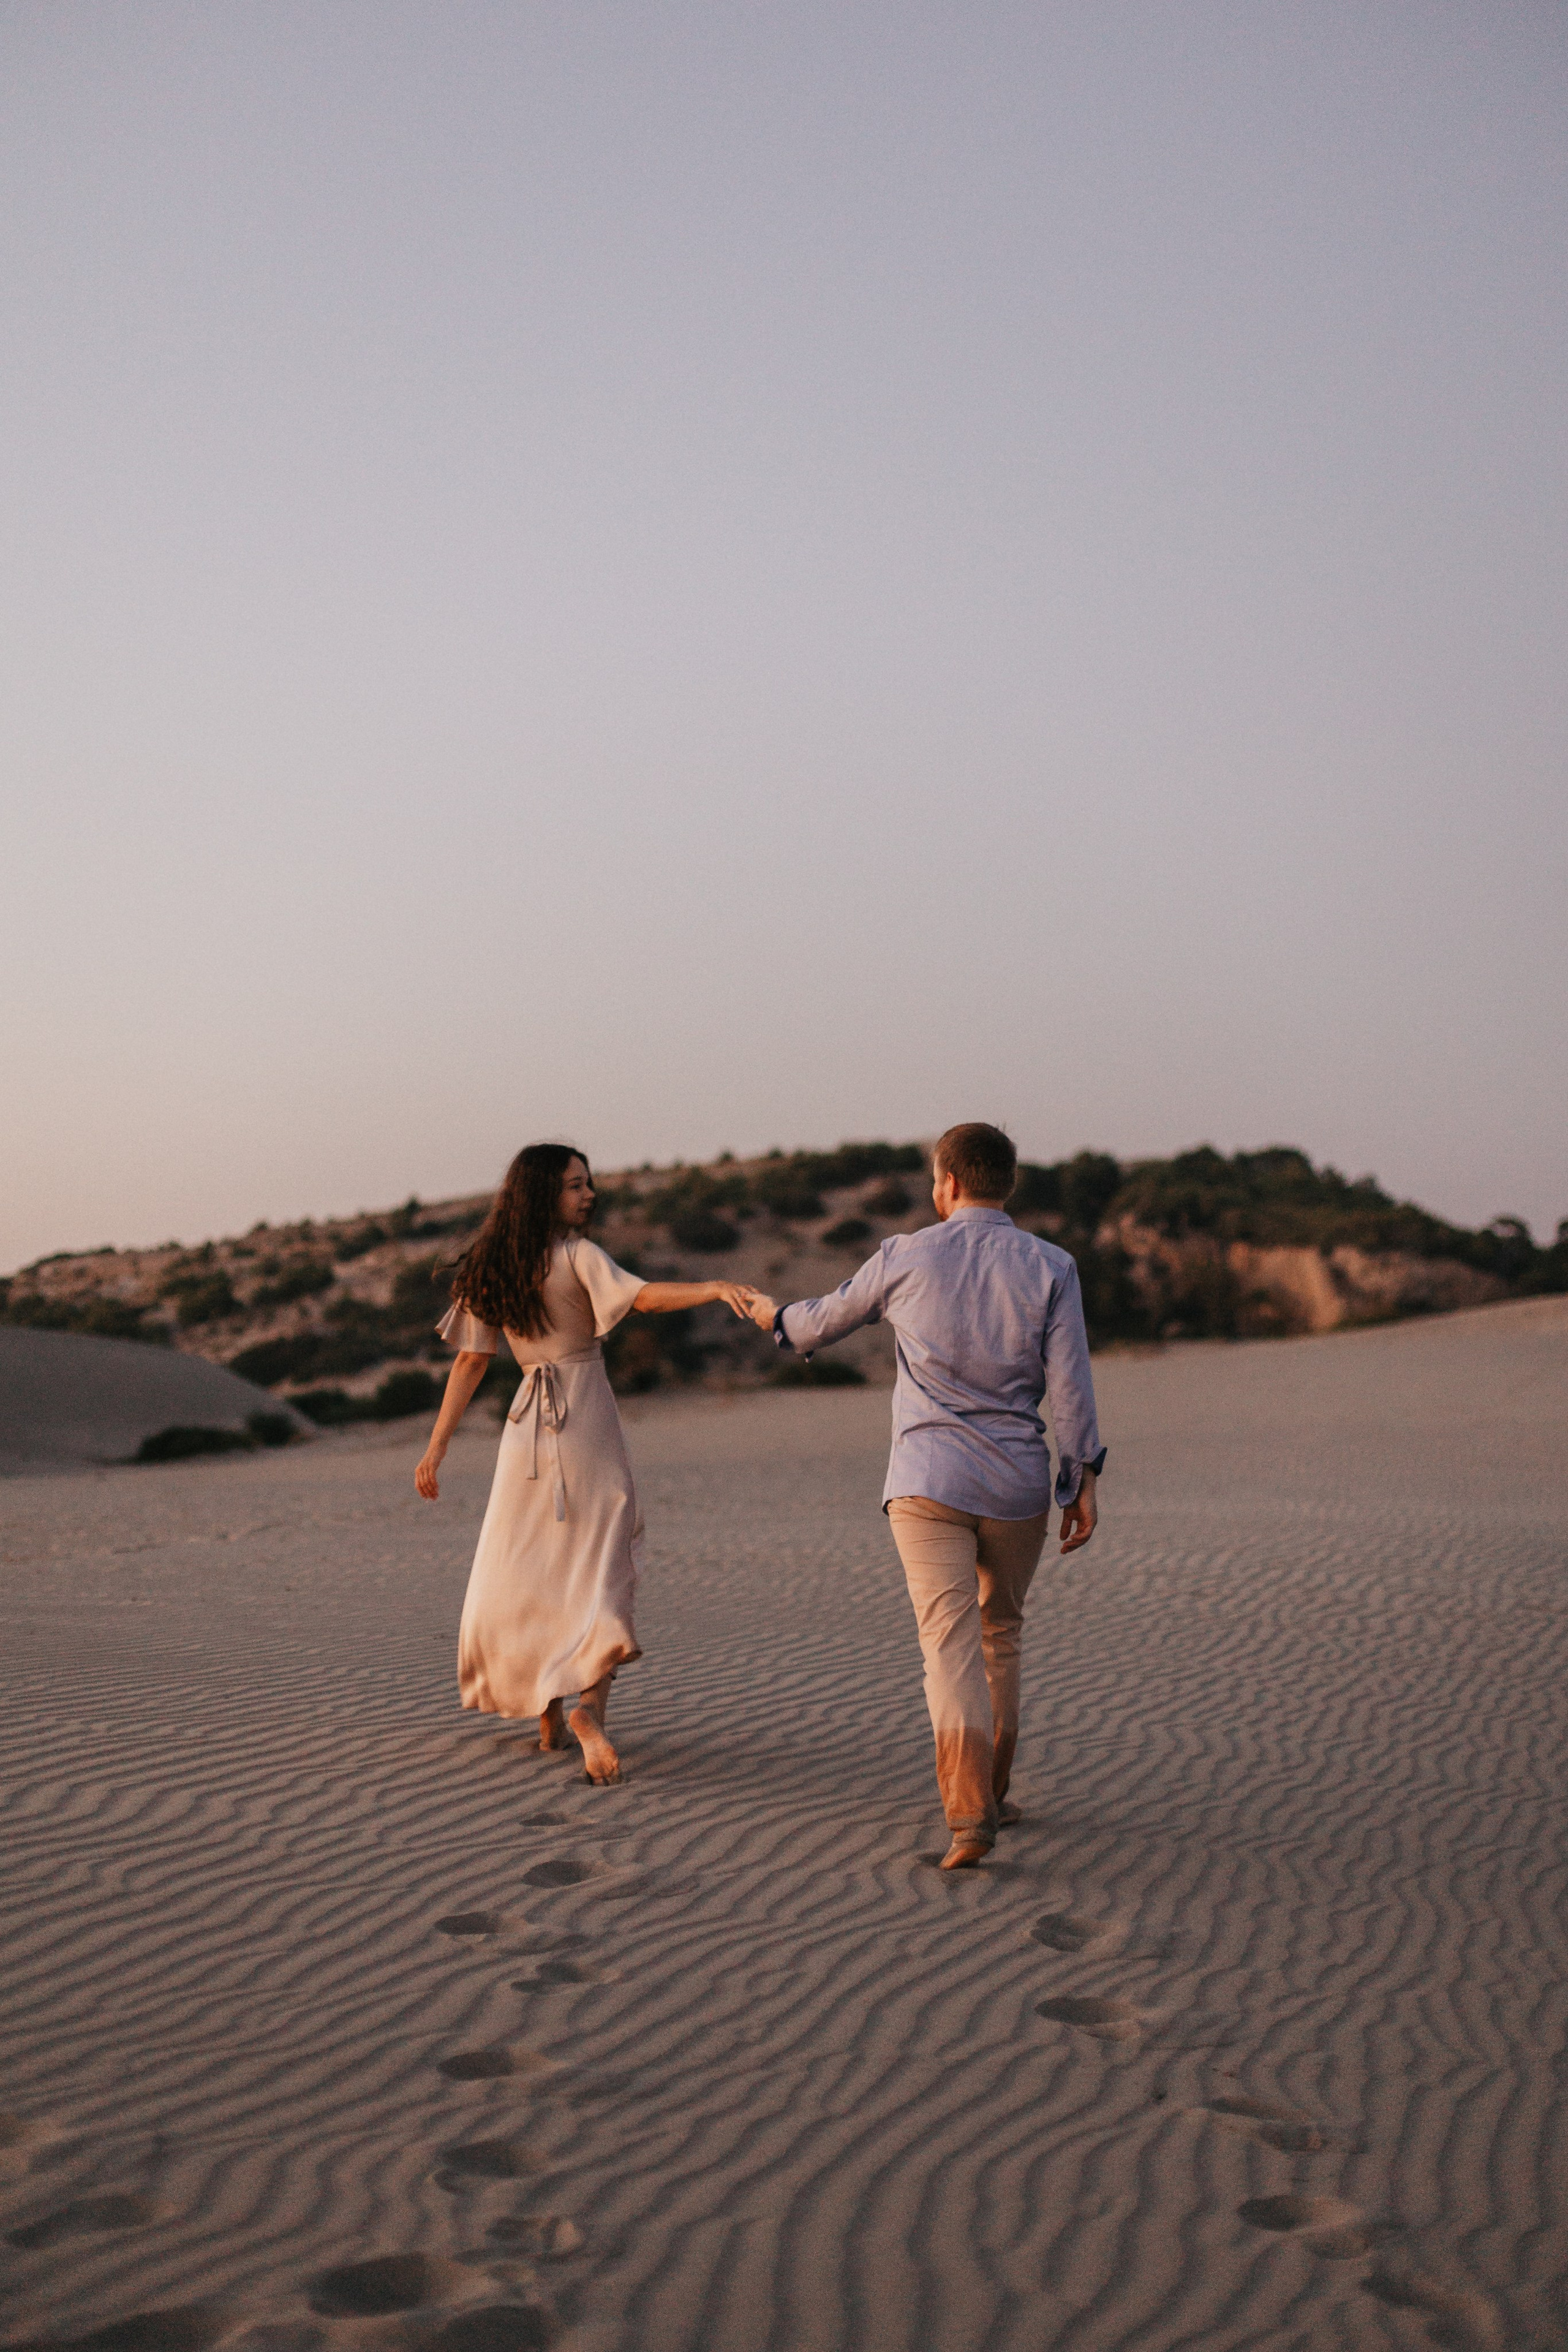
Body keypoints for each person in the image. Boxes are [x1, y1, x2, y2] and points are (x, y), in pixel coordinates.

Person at [747, 1122, 1105, 1868]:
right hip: (1014, 1484)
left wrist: (772, 1318)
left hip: (925, 1483)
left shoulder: (905, 1254)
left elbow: (819, 1324)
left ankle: (969, 1814)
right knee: (999, 1633)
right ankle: (993, 1796)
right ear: (1007, 1185)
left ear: (944, 1184)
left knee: (948, 1644)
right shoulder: (1052, 1266)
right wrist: (1081, 1480)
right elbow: (1071, 1386)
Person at [416, 1143, 753, 1783]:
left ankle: (546, 1707)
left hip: (523, 1434)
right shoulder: (577, 1256)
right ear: (545, 1194)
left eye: (588, 1184)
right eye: (575, 1186)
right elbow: (644, 1299)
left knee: (538, 1567)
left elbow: (470, 1360)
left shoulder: (495, 1266)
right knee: (606, 1562)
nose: (588, 1194)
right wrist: (711, 1287)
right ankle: (588, 1710)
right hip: (584, 1421)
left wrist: (436, 1447)